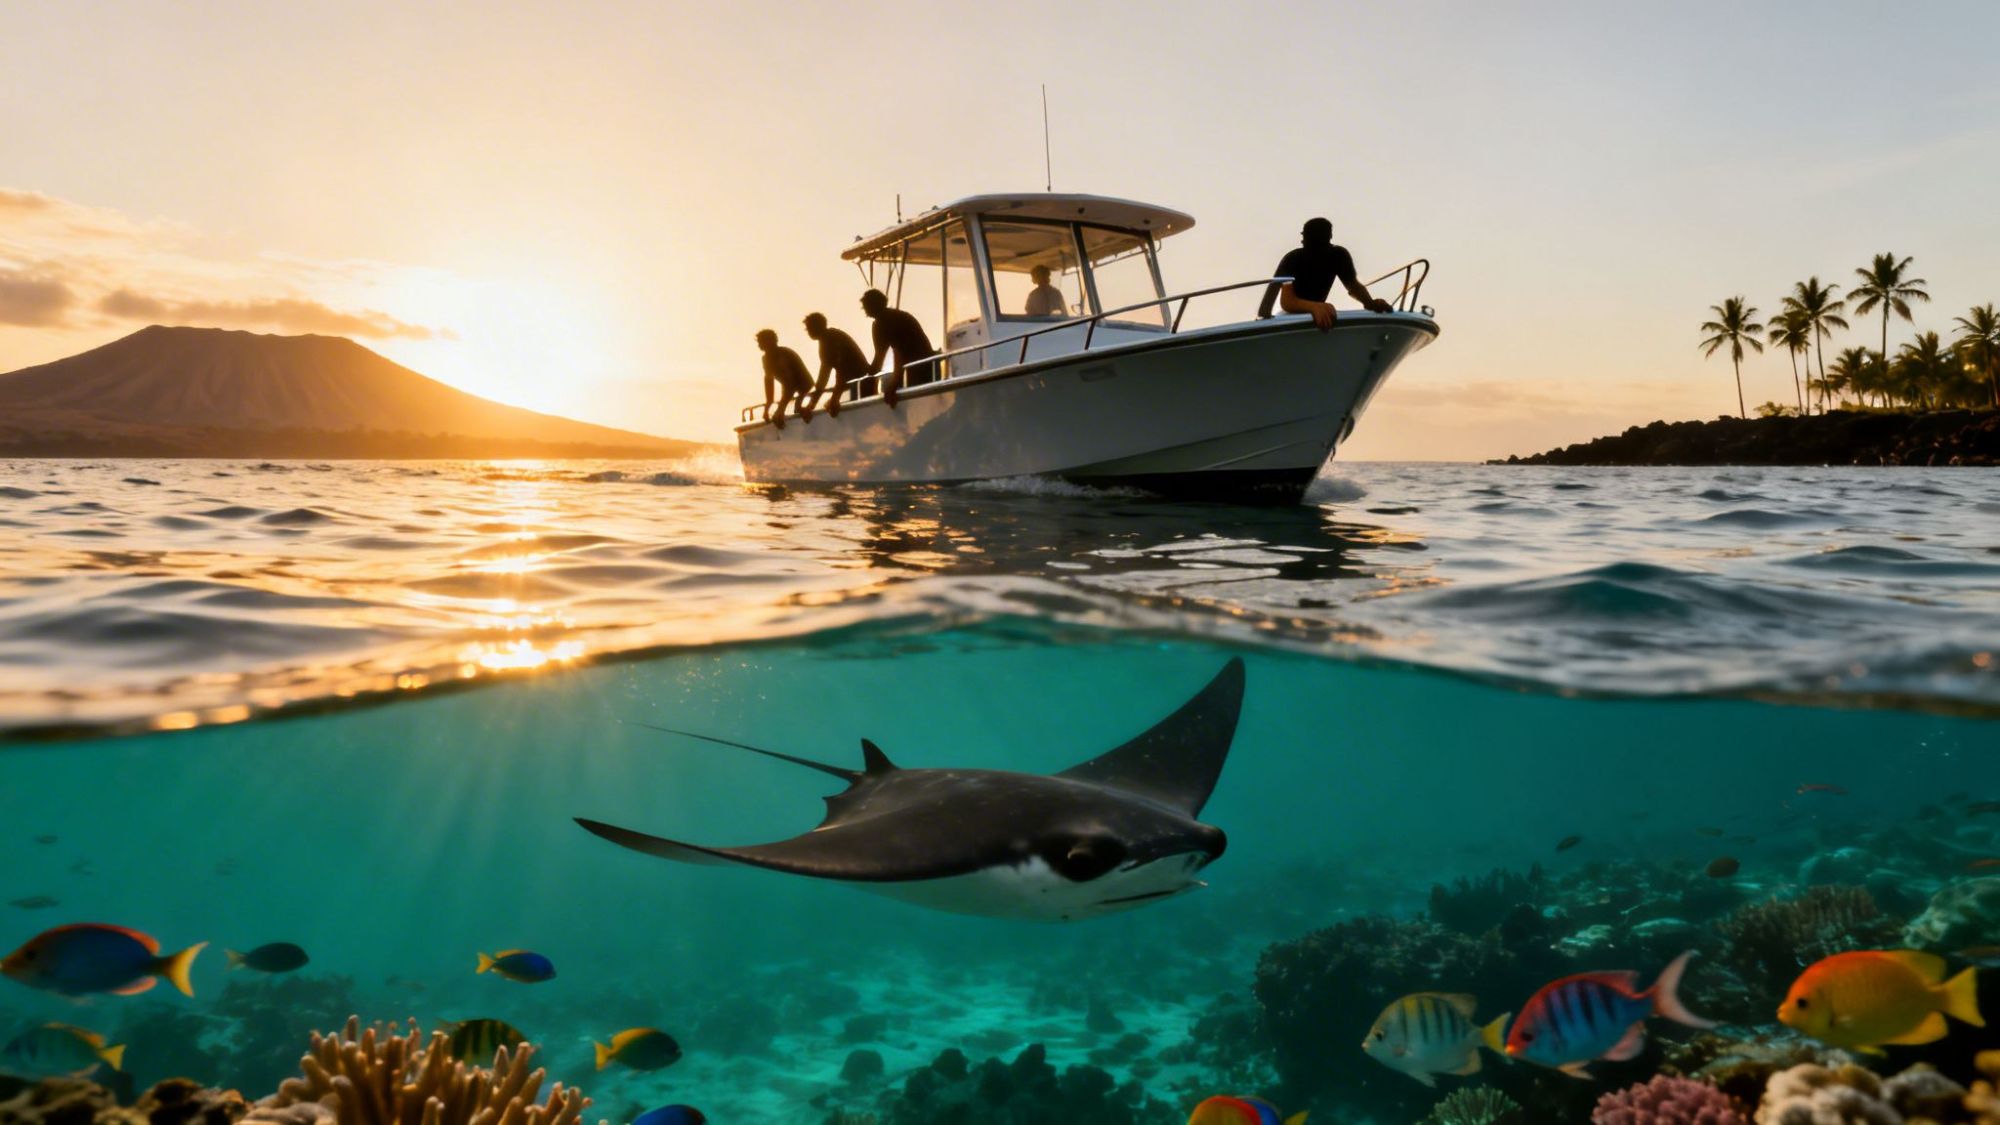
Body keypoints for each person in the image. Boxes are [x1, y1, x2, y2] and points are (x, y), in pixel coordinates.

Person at [1256, 216, 1394, 330]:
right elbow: (1286, 302)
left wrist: (1371, 303)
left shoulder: (1338, 256)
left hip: (1319, 313)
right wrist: (1313, 307)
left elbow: (1353, 286)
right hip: (1290, 317)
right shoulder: (1293, 259)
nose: (1303, 241)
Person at [860, 288, 937, 408]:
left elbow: (898, 351)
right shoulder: (881, 323)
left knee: (918, 403)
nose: (863, 309)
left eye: (865, 305)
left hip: (920, 365)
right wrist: (869, 378)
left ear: (872, 305)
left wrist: (894, 384)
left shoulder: (889, 320)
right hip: (917, 365)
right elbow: (879, 356)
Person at [799, 312, 867, 420]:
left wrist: (835, 398)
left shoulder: (831, 338)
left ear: (817, 326)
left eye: (809, 328)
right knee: (828, 404)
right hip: (854, 382)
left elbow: (842, 369)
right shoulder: (827, 339)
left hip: (861, 382)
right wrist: (811, 406)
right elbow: (823, 376)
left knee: (832, 405)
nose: (808, 331)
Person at [756, 328, 812, 429]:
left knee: (796, 409)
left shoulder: (783, 355)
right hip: (789, 388)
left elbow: (792, 384)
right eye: (760, 342)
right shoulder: (766, 359)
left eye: (762, 342)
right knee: (784, 410)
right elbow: (769, 383)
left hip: (805, 387)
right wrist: (767, 407)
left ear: (773, 341)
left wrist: (781, 409)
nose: (760, 345)